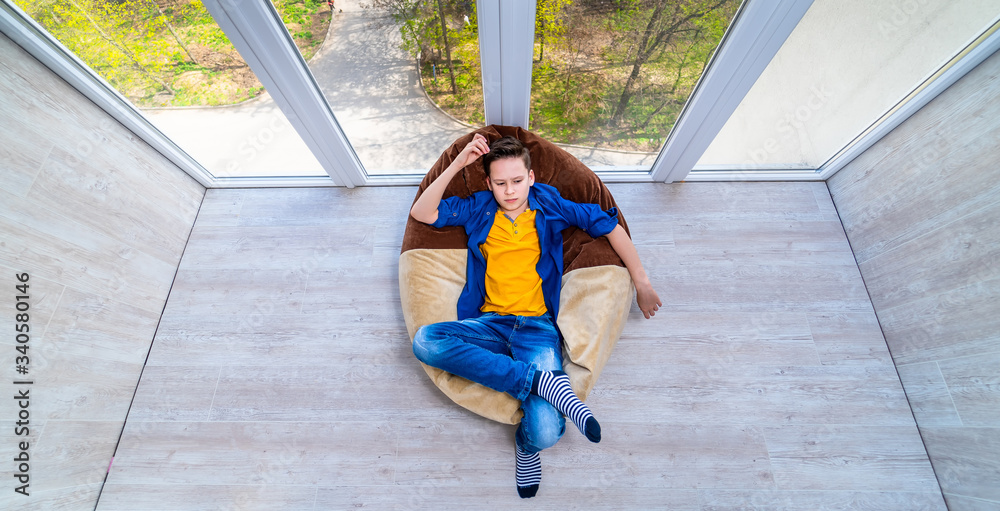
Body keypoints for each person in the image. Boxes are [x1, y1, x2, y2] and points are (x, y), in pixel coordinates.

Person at [409, 133, 661, 498]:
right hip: (488, 322)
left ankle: (525, 446)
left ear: (531, 177)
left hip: (537, 329)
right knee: (425, 341)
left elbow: (609, 225)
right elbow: (422, 213)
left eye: (516, 180)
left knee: (545, 433)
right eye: (500, 183)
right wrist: (459, 162)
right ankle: (543, 383)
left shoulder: (549, 202)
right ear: (488, 183)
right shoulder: (479, 206)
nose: (509, 191)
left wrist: (642, 283)